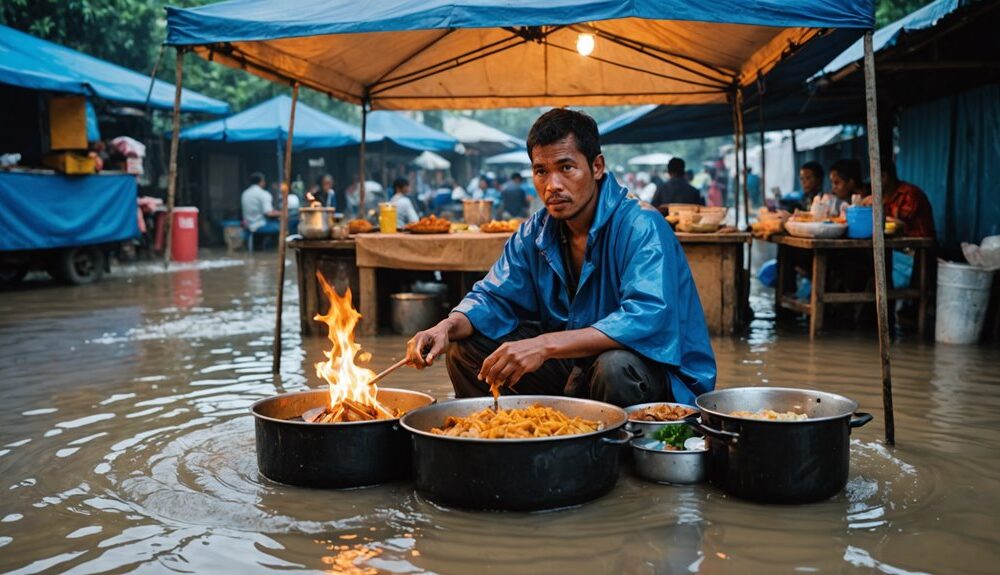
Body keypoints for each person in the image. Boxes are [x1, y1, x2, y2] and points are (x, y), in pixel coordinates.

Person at [406, 109, 716, 407]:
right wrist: (445, 327)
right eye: (541, 171)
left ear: (597, 167)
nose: (552, 185)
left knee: (615, 368)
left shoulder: (641, 225)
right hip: (576, 365)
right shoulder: (535, 232)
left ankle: (611, 459)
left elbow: (647, 317)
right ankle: (498, 442)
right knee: (468, 349)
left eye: (566, 168)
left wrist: (543, 345)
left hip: (656, 374)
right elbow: (492, 297)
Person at [863, 158, 936, 238]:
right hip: (901, 247)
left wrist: (870, 212)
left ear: (884, 177)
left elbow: (896, 225)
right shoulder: (885, 196)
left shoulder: (909, 194)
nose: (871, 184)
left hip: (920, 246)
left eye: (873, 179)